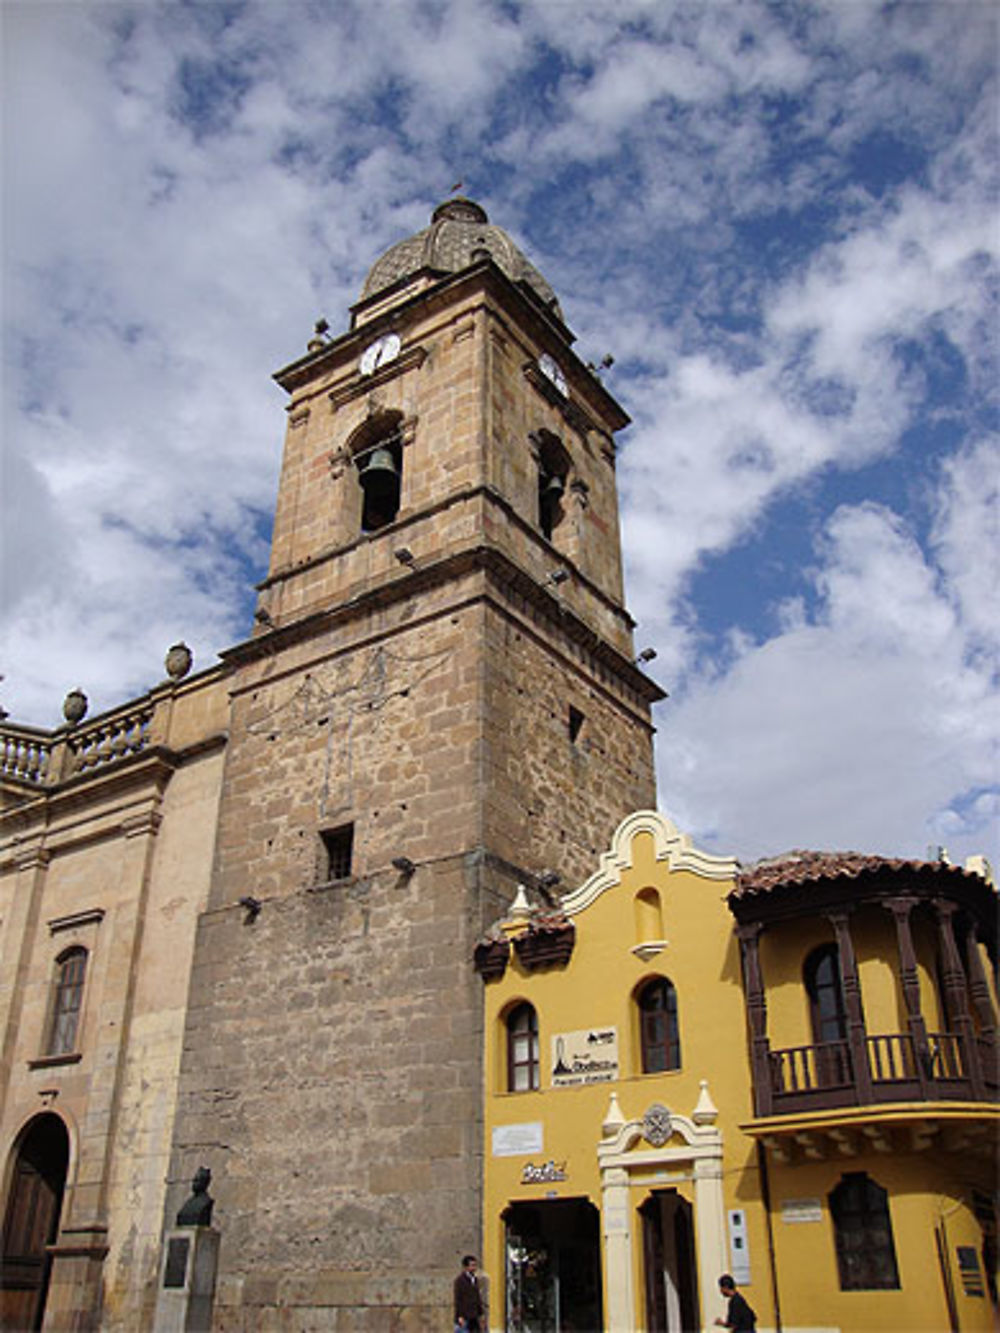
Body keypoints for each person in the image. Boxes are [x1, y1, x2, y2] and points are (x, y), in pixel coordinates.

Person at [454, 1254, 485, 1332]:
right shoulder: (460, 1280)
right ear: (466, 1267)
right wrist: (460, 1315)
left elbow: (477, 1297)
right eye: (472, 1265)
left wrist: (481, 1313)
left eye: (475, 1265)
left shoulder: (475, 1279)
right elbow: (458, 1299)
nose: (474, 1268)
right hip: (465, 1315)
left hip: (474, 1315)